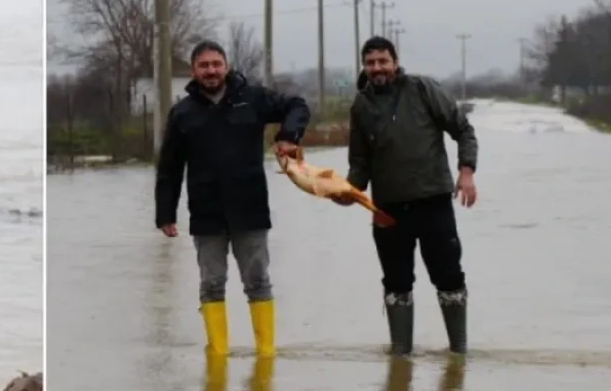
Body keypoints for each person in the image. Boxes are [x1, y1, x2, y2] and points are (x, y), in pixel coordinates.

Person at [154, 41, 311, 358]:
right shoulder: (182, 113)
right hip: (206, 213)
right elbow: (169, 168)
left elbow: (298, 106)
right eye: (204, 65)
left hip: (250, 208)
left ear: (226, 66)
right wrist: (165, 214)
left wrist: (287, 136)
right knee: (211, 284)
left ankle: (266, 355)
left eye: (216, 64)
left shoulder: (253, 98)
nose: (211, 71)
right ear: (194, 70)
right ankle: (218, 356)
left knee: (257, 281)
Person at [335, 36, 477, 355]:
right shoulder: (360, 105)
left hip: (434, 203)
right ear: (364, 67)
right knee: (396, 284)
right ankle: (400, 358)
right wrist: (349, 191)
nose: (377, 68)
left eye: (383, 61)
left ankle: (459, 353)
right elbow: (359, 163)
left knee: (449, 277)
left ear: (395, 62)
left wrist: (466, 172)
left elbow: (463, 129)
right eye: (370, 63)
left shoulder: (423, 89)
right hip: (387, 210)